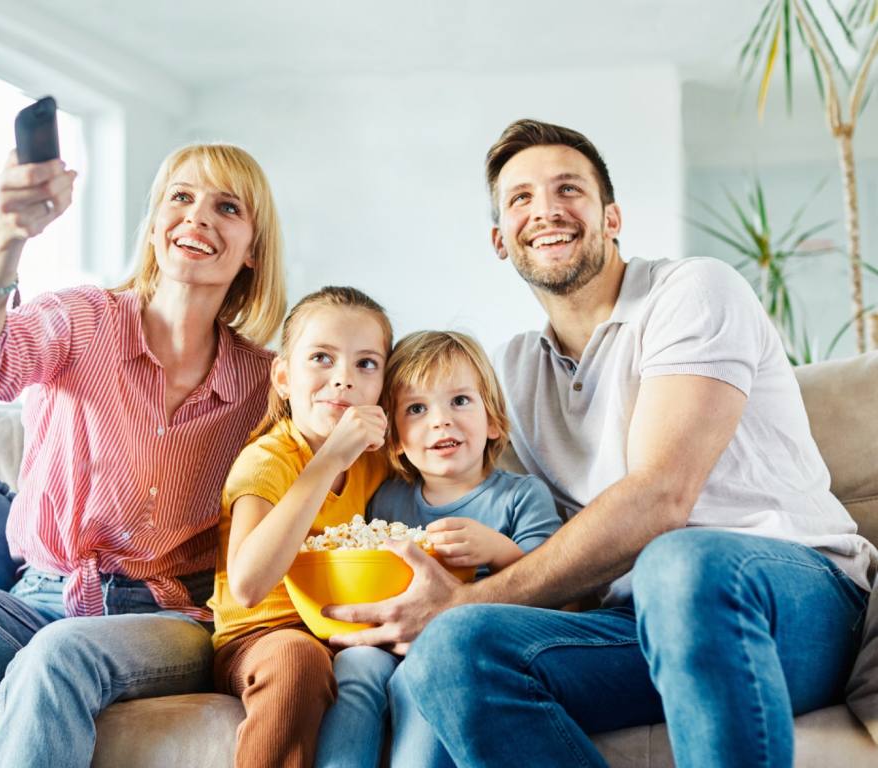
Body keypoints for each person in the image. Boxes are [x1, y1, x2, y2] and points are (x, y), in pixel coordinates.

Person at [324, 119, 877, 767]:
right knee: (452, 652)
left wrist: (469, 597)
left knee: (680, 562)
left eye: (569, 189)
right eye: (521, 199)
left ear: (612, 216)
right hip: (634, 623)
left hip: (790, 599)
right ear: (501, 241)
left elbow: (660, 496)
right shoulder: (514, 372)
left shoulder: (692, 291)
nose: (547, 209)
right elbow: (430, 446)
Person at [0, 142, 286, 767]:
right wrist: (8, 231)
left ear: (252, 249)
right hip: (39, 600)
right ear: (154, 223)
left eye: (226, 207)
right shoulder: (83, 320)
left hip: (170, 620)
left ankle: (46, 680)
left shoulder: (265, 382)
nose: (197, 217)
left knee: (62, 654)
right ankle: (37, 690)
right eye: (181, 197)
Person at [314, 330, 561, 768]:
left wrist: (498, 549)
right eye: (417, 409)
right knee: (354, 669)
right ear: (395, 442)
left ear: (494, 421)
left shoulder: (521, 496)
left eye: (460, 401)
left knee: (420, 680)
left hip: (464, 650)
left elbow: (555, 587)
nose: (440, 420)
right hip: (390, 641)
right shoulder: (388, 501)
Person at [207, 286, 393, 768]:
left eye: (366, 364)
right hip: (262, 637)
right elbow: (248, 585)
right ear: (285, 378)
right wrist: (328, 458)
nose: (343, 380)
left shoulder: (376, 463)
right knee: (297, 659)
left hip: (338, 630)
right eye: (322, 359)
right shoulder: (267, 461)